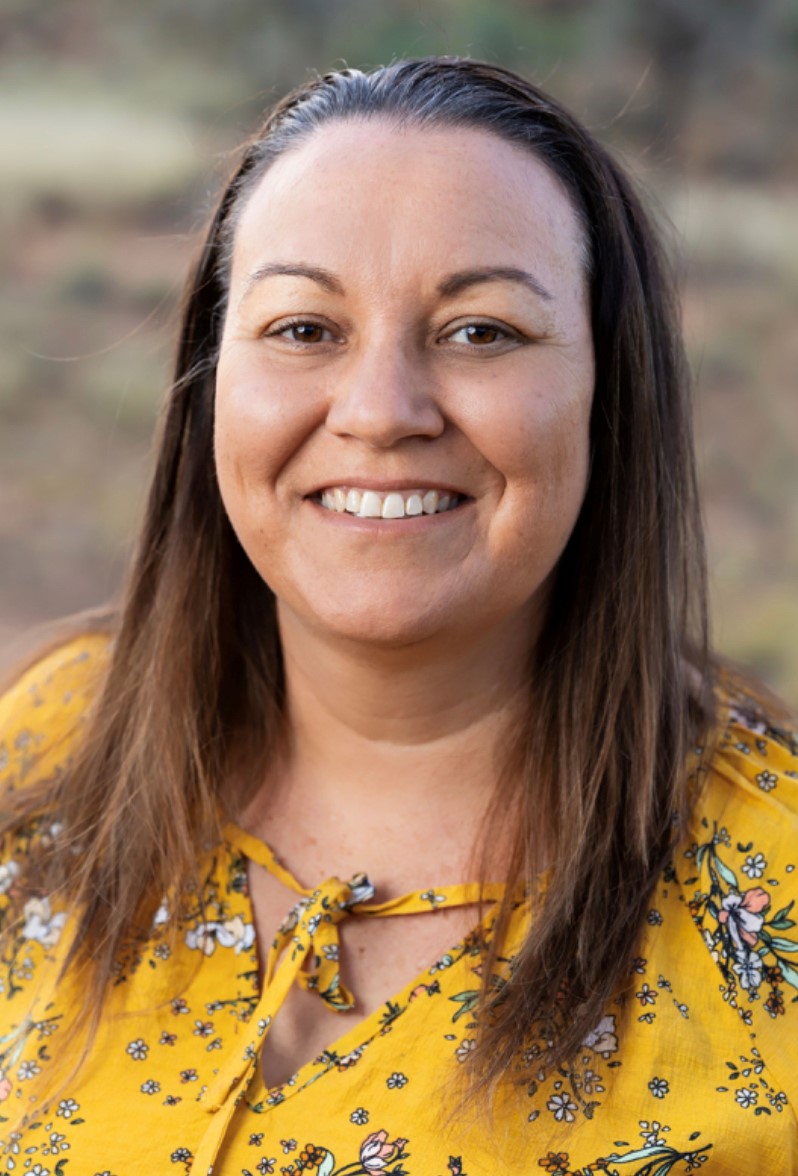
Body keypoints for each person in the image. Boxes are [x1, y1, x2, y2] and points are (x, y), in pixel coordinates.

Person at [0, 57, 795, 1175]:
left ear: (609, 398)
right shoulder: (48, 744)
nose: (380, 412)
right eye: (303, 328)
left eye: (481, 332)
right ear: (208, 380)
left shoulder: (777, 886)